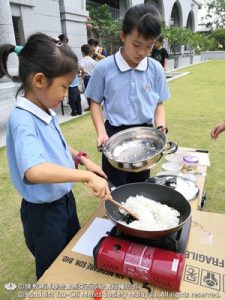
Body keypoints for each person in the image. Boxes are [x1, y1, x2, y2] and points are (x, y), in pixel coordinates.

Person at [0, 33, 110, 280]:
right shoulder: (22, 120)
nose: (67, 93)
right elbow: (34, 170)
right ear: (39, 80)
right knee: (52, 272)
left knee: (72, 256)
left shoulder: (44, 110)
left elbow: (57, 145)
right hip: (44, 215)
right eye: (64, 86)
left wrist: (82, 159)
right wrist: (84, 177)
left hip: (64, 203)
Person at [85, 4, 170, 187]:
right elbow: (95, 103)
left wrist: (161, 125)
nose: (142, 52)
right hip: (114, 135)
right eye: (136, 44)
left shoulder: (155, 69)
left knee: (140, 185)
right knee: (114, 186)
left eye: (149, 46)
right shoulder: (104, 68)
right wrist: (101, 133)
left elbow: (159, 104)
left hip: (145, 136)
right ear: (123, 36)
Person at [80, 44, 97, 111]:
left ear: (83, 52)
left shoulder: (82, 60)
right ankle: (94, 105)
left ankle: (90, 106)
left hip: (87, 78)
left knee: (88, 92)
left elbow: (81, 69)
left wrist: (82, 74)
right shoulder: (93, 61)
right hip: (93, 77)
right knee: (93, 92)